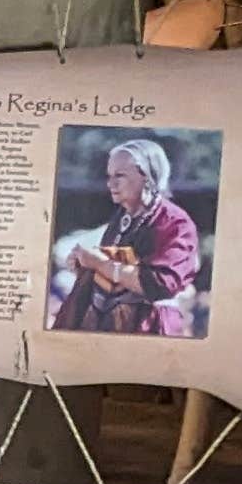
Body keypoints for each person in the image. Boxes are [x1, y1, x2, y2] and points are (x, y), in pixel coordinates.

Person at [53, 135, 201, 336]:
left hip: (150, 329)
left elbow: (159, 284)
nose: (110, 184)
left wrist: (99, 264)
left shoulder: (175, 222)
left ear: (147, 176)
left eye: (119, 176)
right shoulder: (122, 218)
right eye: (109, 176)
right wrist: (84, 267)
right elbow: (114, 277)